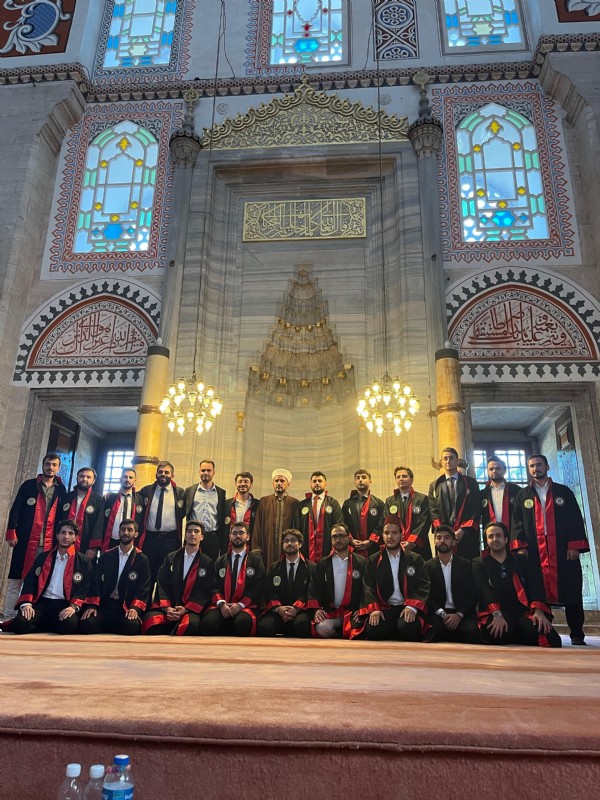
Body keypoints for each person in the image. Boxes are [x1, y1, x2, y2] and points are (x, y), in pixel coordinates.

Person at [511, 454, 589, 645]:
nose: (535, 468)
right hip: (535, 551)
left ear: (547, 466)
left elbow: (575, 520)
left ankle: (577, 633)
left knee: (571, 590)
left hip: (562, 550)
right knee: (537, 590)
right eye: (531, 466)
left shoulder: (563, 492)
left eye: (538, 465)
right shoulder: (523, 495)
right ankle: (544, 630)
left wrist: (574, 547)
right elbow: (517, 523)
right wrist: (520, 547)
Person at [474, 522, 562, 647]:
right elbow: (483, 590)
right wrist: (497, 614)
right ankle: (516, 631)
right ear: (486, 541)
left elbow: (535, 585)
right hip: (497, 611)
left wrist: (539, 611)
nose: (495, 539)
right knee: (496, 635)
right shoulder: (479, 563)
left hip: (522, 610)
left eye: (498, 535)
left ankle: (516, 630)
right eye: (491, 536)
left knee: (551, 639)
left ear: (506, 539)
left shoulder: (520, 560)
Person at [3, 452, 67, 620]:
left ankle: (31, 616)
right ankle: (9, 616)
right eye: (48, 464)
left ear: (58, 468)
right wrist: (11, 532)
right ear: (43, 466)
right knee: (16, 578)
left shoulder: (61, 489)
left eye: (54, 465)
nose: (51, 467)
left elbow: (63, 516)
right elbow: (16, 509)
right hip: (24, 540)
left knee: (40, 580)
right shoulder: (29, 485)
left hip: (49, 542)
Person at [10, 520, 92, 635]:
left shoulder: (84, 561)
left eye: (70, 533)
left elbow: (85, 587)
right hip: (42, 603)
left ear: (75, 538)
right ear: (57, 535)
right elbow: (30, 581)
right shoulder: (43, 557)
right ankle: (49, 624)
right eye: (63, 532)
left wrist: (73, 607)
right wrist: (26, 604)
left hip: (64, 605)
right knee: (20, 624)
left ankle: (43, 625)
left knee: (69, 625)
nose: (66, 536)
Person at [358, 517, 430, 641]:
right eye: (386, 533)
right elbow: (368, 586)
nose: (390, 536)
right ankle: (394, 627)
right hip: (386, 607)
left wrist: (412, 607)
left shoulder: (415, 559)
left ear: (401, 535)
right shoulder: (373, 560)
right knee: (372, 632)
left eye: (394, 533)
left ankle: (397, 628)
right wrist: (374, 609)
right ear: (382, 535)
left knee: (408, 630)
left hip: (407, 606)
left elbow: (423, 584)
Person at [79, 519, 151, 636]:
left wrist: (134, 608)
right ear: (118, 532)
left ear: (136, 534)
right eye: (123, 530)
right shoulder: (106, 556)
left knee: (131, 627)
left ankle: (112, 626)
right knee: (87, 623)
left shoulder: (142, 559)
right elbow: (95, 582)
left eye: (129, 530)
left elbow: (144, 587)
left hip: (125, 606)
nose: (125, 533)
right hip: (106, 604)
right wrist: (92, 605)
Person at [142, 520, 215, 636]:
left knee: (191, 625)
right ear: (185, 535)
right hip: (168, 607)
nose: (192, 534)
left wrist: (185, 610)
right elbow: (161, 584)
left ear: (202, 537)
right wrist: (167, 608)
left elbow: (204, 591)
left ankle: (174, 626)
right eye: (189, 531)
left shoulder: (207, 563)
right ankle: (172, 625)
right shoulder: (171, 558)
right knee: (149, 623)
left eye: (196, 532)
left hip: (189, 610)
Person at [199, 522, 265, 637]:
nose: (238, 536)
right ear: (230, 537)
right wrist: (222, 604)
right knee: (208, 624)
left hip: (246, 606)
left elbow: (258, 587)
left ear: (248, 537)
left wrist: (240, 605)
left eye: (241, 533)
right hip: (223, 606)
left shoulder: (256, 561)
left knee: (243, 623)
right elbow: (214, 586)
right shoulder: (220, 561)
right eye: (234, 533)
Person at [306, 523, 367, 639]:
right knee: (321, 628)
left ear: (348, 537)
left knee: (361, 630)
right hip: (331, 611)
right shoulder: (323, 563)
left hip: (352, 612)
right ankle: (338, 633)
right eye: (334, 537)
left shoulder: (361, 562)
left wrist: (361, 609)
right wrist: (317, 609)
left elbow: (367, 588)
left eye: (341, 536)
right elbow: (313, 587)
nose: (338, 539)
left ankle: (342, 631)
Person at [424, 526, 479, 643]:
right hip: (439, 613)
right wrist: (443, 614)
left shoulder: (466, 565)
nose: (443, 541)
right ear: (434, 541)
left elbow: (472, 594)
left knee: (472, 633)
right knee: (433, 632)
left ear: (454, 542)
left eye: (447, 538)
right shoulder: (427, 566)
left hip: (461, 612)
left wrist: (459, 615)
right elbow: (427, 595)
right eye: (439, 538)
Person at [257, 528, 314, 638]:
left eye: (293, 540)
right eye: (286, 541)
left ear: (300, 544)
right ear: (283, 545)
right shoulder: (275, 567)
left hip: (301, 611)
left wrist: (296, 608)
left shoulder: (311, 567)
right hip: (279, 611)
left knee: (302, 626)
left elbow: (310, 591)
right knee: (264, 627)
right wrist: (279, 608)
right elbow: (269, 591)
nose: (289, 543)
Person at [138, 461, 186, 586]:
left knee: (167, 575)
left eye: (166, 472)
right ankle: (146, 604)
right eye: (160, 472)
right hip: (150, 539)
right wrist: (111, 495)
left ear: (172, 475)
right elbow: (132, 498)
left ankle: (163, 604)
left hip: (171, 540)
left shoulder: (180, 493)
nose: (163, 474)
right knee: (147, 574)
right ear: (156, 474)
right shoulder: (146, 491)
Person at [428, 447, 481, 560]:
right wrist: (443, 532)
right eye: (445, 459)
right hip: (444, 537)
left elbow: (475, 508)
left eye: (451, 458)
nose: (448, 461)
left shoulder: (470, 483)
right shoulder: (435, 485)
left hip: (466, 534)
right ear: (441, 462)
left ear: (457, 461)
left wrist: (462, 531)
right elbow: (433, 510)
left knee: (468, 569)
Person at [253, 469, 299, 570]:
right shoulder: (264, 501)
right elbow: (257, 526)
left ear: (288, 484)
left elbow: (298, 528)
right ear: (273, 484)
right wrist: (257, 549)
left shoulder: (295, 503)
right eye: (276, 481)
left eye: (282, 481)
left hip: (288, 548)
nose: (279, 483)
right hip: (267, 547)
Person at [294, 471, 344, 563]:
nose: (317, 483)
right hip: (306, 548)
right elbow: (297, 527)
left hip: (327, 546)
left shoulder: (333, 503)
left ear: (325, 484)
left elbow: (339, 525)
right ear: (310, 484)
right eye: (314, 481)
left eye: (320, 481)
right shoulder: (302, 504)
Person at [383, 466, 432, 559]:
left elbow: (424, 522)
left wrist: (412, 542)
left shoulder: (422, 499)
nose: (401, 479)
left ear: (412, 480)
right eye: (398, 477)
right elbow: (387, 523)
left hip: (418, 546)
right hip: (396, 546)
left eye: (404, 476)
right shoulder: (390, 501)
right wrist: (396, 540)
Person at [185, 459, 227, 561]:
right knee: (191, 565)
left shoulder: (220, 493)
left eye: (209, 470)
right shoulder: (190, 491)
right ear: (199, 472)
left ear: (214, 472)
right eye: (203, 470)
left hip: (212, 538)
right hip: (194, 536)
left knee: (210, 568)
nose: (206, 473)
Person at [62, 466, 104, 558]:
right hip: (64, 541)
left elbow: (99, 525)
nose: (84, 479)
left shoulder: (99, 500)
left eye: (88, 477)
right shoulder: (67, 497)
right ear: (77, 478)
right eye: (81, 476)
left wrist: (93, 547)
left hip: (86, 545)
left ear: (93, 481)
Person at [341, 468, 385, 557]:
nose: (360, 480)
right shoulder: (347, 503)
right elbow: (343, 523)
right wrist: (351, 540)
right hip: (353, 547)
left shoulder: (378, 503)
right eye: (358, 478)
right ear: (355, 482)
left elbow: (381, 524)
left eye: (363, 477)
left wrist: (370, 541)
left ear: (370, 481)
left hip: (373, 546)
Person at [101, 467, 141, 552]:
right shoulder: (110, 498)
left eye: (130, 477)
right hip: (111, 540)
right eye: (125, 477)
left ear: (135, 480)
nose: (127, 479)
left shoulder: (139, 500)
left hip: (130, 541)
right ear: (120, 479)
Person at [480, 456, 521, 535]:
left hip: (513, 533)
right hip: (491, 535)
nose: (494, 471)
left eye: (498, 468)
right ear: (487, 471)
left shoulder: (516, 490)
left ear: (504, 470)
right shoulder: (482, 494)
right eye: (491, 469)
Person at [224, 471, 259, 542]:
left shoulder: (257, 505)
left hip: (250, 544)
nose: (243, 484)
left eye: (246, 481)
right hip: (230, 544)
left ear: (251, 484)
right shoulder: (227, 504)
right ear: (235, 484)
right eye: (240, 481)